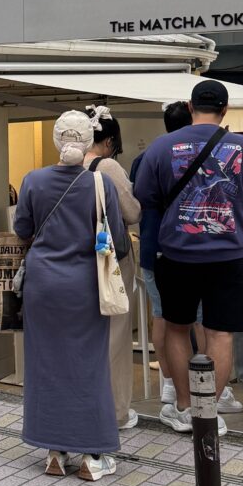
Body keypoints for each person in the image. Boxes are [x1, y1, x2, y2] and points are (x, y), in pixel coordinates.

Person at [133, 79, 243, 436]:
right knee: (220, 334)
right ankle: (208, 411)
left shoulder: (162, 147)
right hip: (230, 254)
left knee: (177, 328)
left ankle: (183, 407)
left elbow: (145, 196)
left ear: (190, 107)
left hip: (177, 253)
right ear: (225, 109)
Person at [14, 109, 129, 482]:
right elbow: (116, 239)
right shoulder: (100, 183)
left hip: (43, 286)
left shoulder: (33, 181)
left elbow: (22, 228)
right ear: (89, 141)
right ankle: (93, 455)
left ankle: (55, 450)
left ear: (56, 140)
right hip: (85, 286)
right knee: (88, 365)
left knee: (47, 365)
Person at [130, 102, 192, 407]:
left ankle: (168, 382)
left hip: (152, 244)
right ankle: (199, 386)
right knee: (198, 319)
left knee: (160, 314)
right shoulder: (195, 154)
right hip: (188, 245)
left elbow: (137, 202)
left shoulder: (144, 158)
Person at [84, 107, 141, 432]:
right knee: (116, 334)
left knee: (85, 335)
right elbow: (131, 212)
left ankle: (84, 404)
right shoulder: (106, 166)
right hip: (108, 260)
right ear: (108, 141)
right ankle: (116, 410)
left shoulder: (66, 166)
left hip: (77, 260)